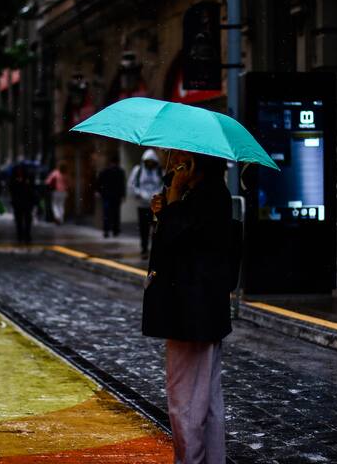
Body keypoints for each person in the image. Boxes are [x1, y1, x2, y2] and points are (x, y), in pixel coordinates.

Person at [143, 150, 238, 464]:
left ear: (195, 163)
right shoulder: (208, 195)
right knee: (207, 400)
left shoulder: (205, 198)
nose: (173, 165)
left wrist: (171, 198)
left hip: (190, 313)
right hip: (202, 312)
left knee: (184, 401)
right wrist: (169, 205)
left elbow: (175, 242)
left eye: (180, 160)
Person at [128, 148, 163, 258]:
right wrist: (139, 193)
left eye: (151, 162)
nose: (150, 164)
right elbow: (131, 185)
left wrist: (157, 194)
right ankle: (144, 248)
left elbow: (162, 185)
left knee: (156, 228)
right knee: (143, 228)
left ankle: (155, 249)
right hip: (142, 205)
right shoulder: (138, 170)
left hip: (155, 207)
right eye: (148, 162)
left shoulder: (159, 171)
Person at [96, 155, 126, 237]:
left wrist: (99, 191)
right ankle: (115, 230)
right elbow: (122, 185)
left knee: (107, 214)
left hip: (107, 195)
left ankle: (107, 230)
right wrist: (123, 195)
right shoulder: (120, 172)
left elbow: (99, 182)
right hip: (115, 196)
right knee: (115, 213)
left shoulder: (105, 171)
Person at [10, 164, 36, 243]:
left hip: (27, 202)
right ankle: (19, 235)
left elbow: (32, 189)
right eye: (18, 171)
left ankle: (27, 235)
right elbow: (11, 189)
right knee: (19, 220)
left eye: (21, 170)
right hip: (17, 203)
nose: (20, 172)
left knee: (28, 220)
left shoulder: (28, 178)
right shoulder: (13, 179)